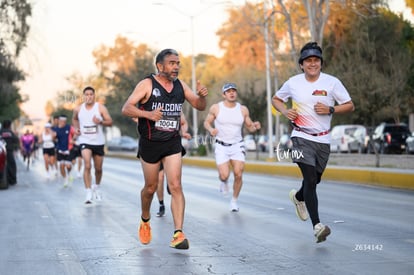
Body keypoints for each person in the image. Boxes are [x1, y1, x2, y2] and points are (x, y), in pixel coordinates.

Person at [121, 48, 208, 249]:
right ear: (160, 66)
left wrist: (202, 97)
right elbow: (126, 108)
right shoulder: (147, 84)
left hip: (172, 143)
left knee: (176, 185)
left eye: (178, 63)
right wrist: (149, 115)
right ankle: (145, 219)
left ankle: (178, 233)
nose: (176, 66)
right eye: (171, 63)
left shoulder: (180, 86)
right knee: (150, 188)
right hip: (150, 144)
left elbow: (199, 105)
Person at [272, 42, 354, 243]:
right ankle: (317, 226)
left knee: (314, 180)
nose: (312, 64)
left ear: (321, 63)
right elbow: (276, 99)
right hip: (300, 137)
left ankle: (298, 197)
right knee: (309, 179)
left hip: (323, 139)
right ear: (301, 64)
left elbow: (350, 105)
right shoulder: (293, 83)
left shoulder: (332, 83)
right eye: (308, 61)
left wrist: (331, 110)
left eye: (316, 60)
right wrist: (284, 111)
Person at [204, 82, 261, 212]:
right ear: (224, 94)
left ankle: (234, 201)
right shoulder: (216, 108)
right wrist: (211, 129)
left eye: (233, 91)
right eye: (228, 91)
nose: (231, 93)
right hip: (221, 146)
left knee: (238, 174)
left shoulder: (242, 109)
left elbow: (249, 126)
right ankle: (223, 182)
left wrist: (255, 126)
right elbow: (206, 122)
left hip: (237, 145)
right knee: (224, 175)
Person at [72, 86, 113, 204]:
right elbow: (74, 120)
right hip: (85, 141)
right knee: (87, 165)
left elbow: (110, 122)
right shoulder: (78, 109)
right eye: (87, 94)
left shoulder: (100, 108)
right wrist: (76, 129)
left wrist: (100, 122)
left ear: (94, 96)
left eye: (91, 94)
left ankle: (97, 187)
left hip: (98, 142)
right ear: (83, 96)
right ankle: (88, 191)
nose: (89, 96)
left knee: (98, 169)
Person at [156, 113, 191, 217]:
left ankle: (169, 182)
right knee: (160, 178)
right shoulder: (152, 104)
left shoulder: (174, 105)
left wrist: (184, 132)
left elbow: (183, 123)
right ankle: (161, 204)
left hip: (172, 146)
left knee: (174, 182)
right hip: (155, 146)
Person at [54, 115, 76, 187]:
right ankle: (65, 178)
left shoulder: (69, 128)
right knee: (61, 166)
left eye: (64, 121)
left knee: (68, 165)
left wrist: (73, 139)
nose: (63, 122)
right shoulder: (56, 129)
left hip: (69, 149)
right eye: (61, 121)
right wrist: (54, 137)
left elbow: (75, 133)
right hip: (60, 150)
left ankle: (69, 173)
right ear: (59, 121)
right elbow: (54, 138)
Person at [0, 120, 19, 185]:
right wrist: (15, 148)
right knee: (12, 165)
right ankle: (12, 180)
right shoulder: (10, 132)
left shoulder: (1, 132)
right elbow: (16, 140)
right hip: (9, 151)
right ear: (9, 125)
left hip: (1, 151)